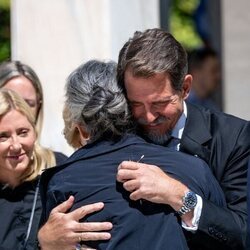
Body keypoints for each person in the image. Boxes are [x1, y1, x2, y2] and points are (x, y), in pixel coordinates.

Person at [38, 29, 250, 250]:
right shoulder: (114, 138)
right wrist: (46, 240)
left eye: (159, 103)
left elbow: (243, 234)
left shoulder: (233, 138)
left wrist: (179, 196)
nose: (148, 116)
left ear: (185, 88)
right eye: (136, 104)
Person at [0, 89, 67, 249]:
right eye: (3, 136)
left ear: (35, 132)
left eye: (23, 132)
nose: (16, 145)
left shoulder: (58, 170)